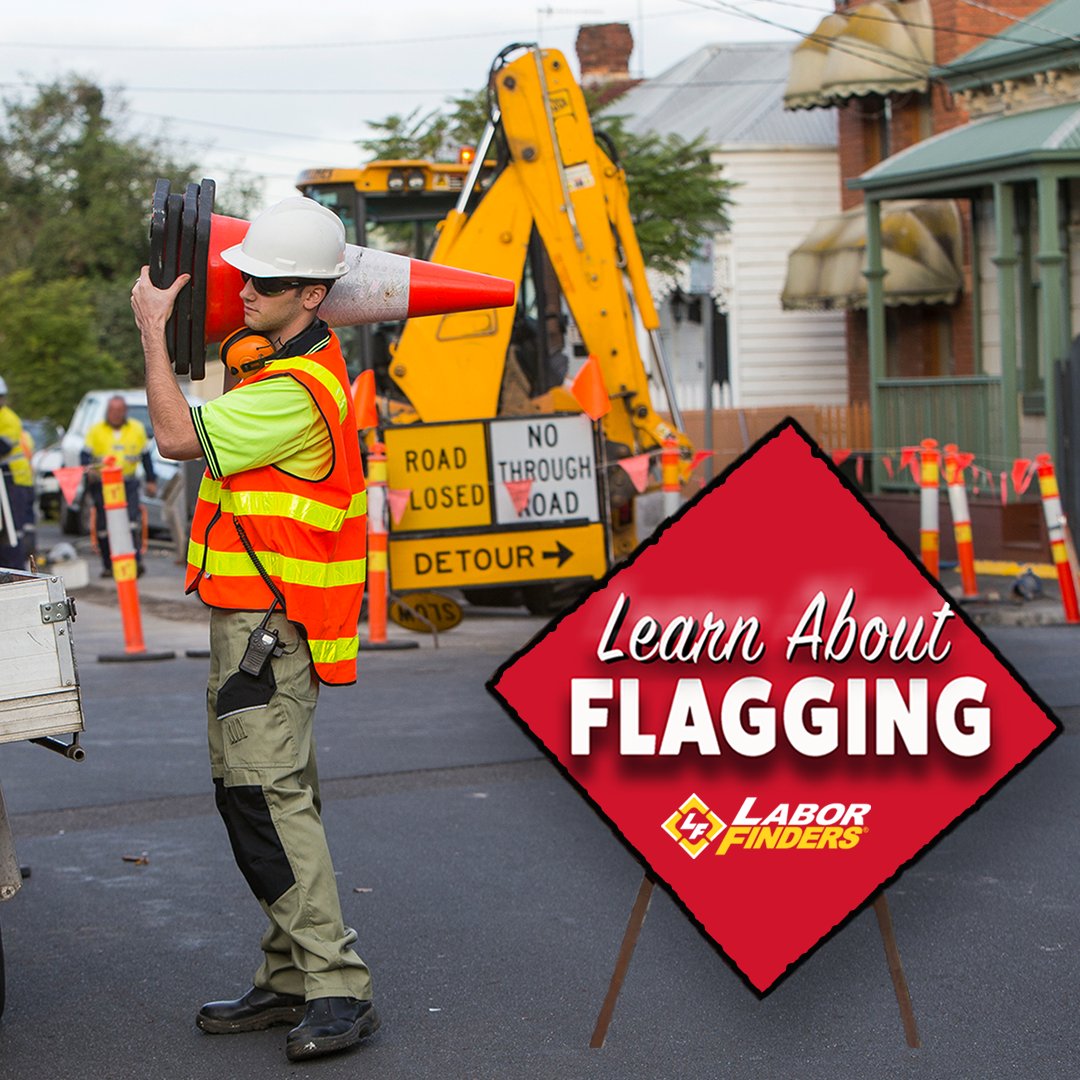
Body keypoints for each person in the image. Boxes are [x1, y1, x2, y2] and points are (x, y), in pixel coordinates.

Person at [130, 196, 376, 1064]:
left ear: (314, 296)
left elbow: (171, 434)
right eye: (244, 275)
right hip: (264, 625)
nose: (246, 291)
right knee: (270, 794)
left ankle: (336, 985)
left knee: (265, 802)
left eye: (266, 284)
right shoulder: (289, 368)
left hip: (267, 630)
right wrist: (222, 331)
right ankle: (288, 976)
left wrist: (155, 330)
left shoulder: (293, 397)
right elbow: (240, 359)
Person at [81, 395, 157, 578]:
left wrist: (151, 480)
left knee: (130, 523)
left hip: (127, 483)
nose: (115, 415)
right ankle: (109, 565)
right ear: (108, 411)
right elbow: (84, 456)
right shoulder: (96, 430)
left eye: (119, 411)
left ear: (124, 412)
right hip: (102, 484)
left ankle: (134, 563)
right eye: (112, 411)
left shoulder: (136, 429)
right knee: (104, 526)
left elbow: (146, 457)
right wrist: (88, 471)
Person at [0, 375, 34, 570]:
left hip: (13, 480)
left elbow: (2, 447)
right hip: (6, 480)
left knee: (12, 532)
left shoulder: (9, 419)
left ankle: (15, 571)